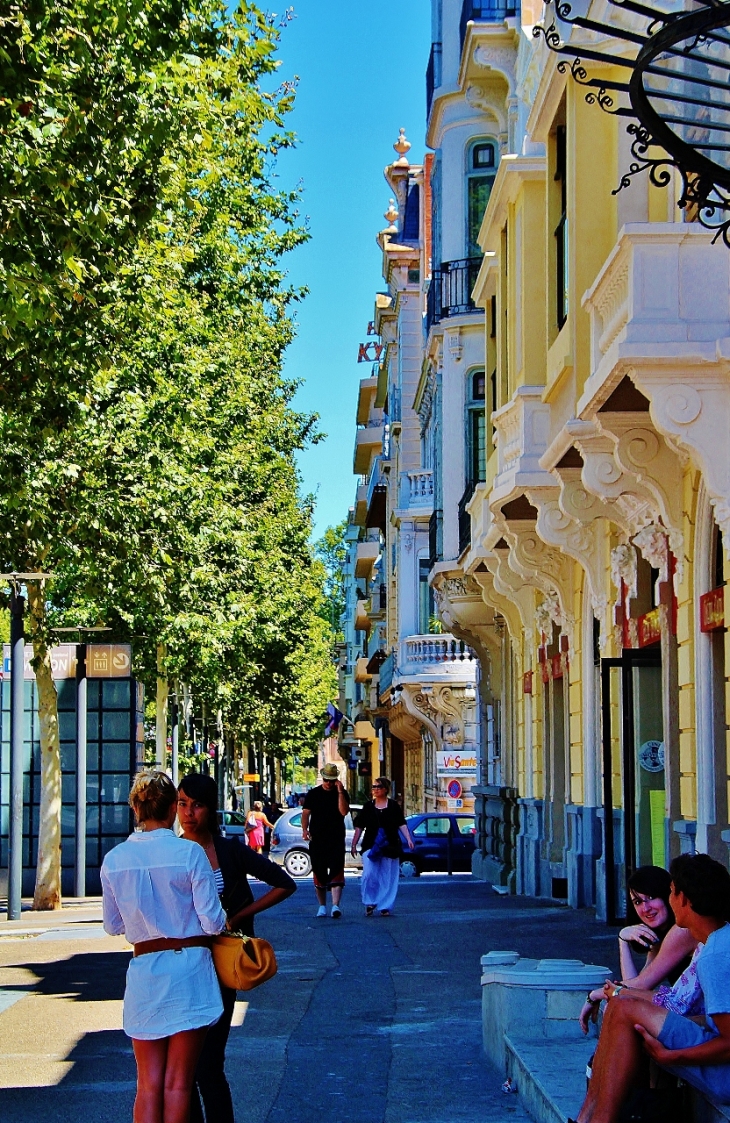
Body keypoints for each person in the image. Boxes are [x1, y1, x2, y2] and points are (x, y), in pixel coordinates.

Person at [101, 770, 226, 1123]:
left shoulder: (115, 859)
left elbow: (113, 925)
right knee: (179, 1084)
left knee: (148, 1084)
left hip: (145, 971)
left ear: (136, 809)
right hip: (189, 969)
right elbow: (213, 922)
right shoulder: (190, 854)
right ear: (173, 807)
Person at [570, 853, 730, 1123]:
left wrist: (672, 1055)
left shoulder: (715, 956)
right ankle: (589, 1118)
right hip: (711, 1047)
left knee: (622, 1007)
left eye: (671, 893)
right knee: (620, 1003)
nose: (667, 900)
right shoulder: (719, 940)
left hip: (722, 1074)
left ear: (685, 900)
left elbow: (729, 1042)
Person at [177, 773, 296, 1123]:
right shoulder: (175, 851)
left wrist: (239, 915)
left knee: (209, 1064)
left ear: (210, 808)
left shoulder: (229, 849)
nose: (188, 812)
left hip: (223, 968)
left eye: (196, 804)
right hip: (184, 966)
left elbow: (284, 883)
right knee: (185, 1068)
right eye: (182, 803)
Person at [579, 865, 696, 1033]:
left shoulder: (682, 930)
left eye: (651, 897)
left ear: (667, 896)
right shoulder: (660, 937)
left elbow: (638, 987)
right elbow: (633, 990)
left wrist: (594, 995)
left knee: (623, 1012)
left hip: (711, 1018)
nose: (646, 908)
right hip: (693, 1015)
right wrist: (623, 941)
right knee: (623, 1007)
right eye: (638, 901)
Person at [351, 777, 414, 916]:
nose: (375, 789)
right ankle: (369, 901)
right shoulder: (368, 807)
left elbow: (401, 824)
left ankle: (385, 905)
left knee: (388, 877)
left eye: (378, 787)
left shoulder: (393, 806)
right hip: (370, 845)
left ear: (385, 789)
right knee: (369, 874)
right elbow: (359, 826)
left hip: (390, 846)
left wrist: (409, 839)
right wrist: (354, 844)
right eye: (373, 787)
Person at [301, 763, 350, 918]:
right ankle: (322, 906)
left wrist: (340, 791)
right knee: (319, 871)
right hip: (317, 838)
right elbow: (305, 813)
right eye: (326, 780)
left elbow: (343, 812)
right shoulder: (313, 794)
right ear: (322, 778)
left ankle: (335, 905)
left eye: (331, 780)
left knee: (336, 870)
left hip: (336, 838)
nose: (328, 783)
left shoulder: (341, 792)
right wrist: (304, 830)